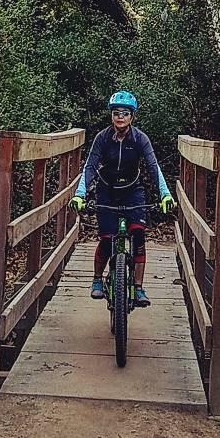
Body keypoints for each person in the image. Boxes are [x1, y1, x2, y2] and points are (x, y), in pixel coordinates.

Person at [69, 91, 174, 306]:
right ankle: (97, 280)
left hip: (132, 190)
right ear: (111, 115)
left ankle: (138, 287)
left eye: (125, 113)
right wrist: (80, 194)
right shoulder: (102, 138)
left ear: (131, 117)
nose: (120, 117)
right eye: (116, 113)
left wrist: (165, 194)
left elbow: (153, 167)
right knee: (108, 239)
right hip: (106, 191)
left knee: (138, 235)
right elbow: (89, 166)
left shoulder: (140, 139)